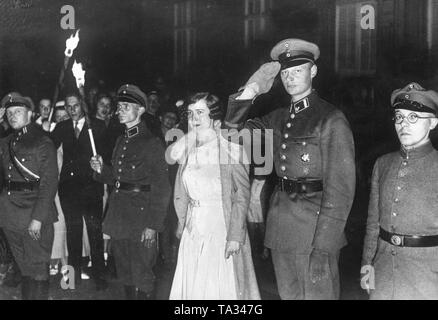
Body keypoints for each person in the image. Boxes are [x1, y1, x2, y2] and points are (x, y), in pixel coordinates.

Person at [223, 38, 356, 299]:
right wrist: (251, 90)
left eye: (297, 70)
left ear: (313, 71)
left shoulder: (330, 119)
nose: (290, 77)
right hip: (281, 230)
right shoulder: (278, 117)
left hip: (314, 232)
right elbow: (231, 133)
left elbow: (340, 191)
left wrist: (323, 247)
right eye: (285, 72)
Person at [168, 92, 260, 300]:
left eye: (200, 113)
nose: (194, 119)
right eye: (191, 113)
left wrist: (235, 236)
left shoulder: (231, 149)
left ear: (214, 118)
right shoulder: (188, 150)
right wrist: (182, 223)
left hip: (221, 228)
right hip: (194, 229)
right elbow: (181, 188)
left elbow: (241, 196)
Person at [90, 84, 171, 300]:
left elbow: (162, 189)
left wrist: (153, 225)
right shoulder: (121, 139)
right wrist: (101, 170)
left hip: (141, 218)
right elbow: (118, 180)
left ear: (141, 110)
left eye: (127, 106)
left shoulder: (152, 143)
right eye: (120, 106)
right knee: (125, 274)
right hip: (119, 216)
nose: (120, 110)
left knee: (142, 274)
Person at [362, 83, 438, 299]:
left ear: (432, 122)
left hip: (427, 279)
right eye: (399, 117)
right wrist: (367, 268)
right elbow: (372, 226)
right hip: (383, 275)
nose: (404, 124)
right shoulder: (383, 164)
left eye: (414, 117)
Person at [0, 92, 58, 299]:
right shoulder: (5, 142)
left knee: (38, 269)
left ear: (30, 114)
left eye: (18, 111)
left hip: (33, 215)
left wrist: (38, 219)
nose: (12, 116)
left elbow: (49, 184)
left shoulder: (43, 142)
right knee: (24, 268)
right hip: (9, 215)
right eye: (9, 112)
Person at [49, 92, 108, 291]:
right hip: (69, 189)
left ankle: (100, 276)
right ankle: (72, 280)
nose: (72, 110)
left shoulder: (97, 127)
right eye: (68, 106)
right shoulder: (62, 127)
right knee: (73, 234)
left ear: (82, 105)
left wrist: (99, 163)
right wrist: (46, 131)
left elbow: (106, 156)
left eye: (75, 105)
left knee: (94, 233)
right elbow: (48, 147)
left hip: (91, 188)